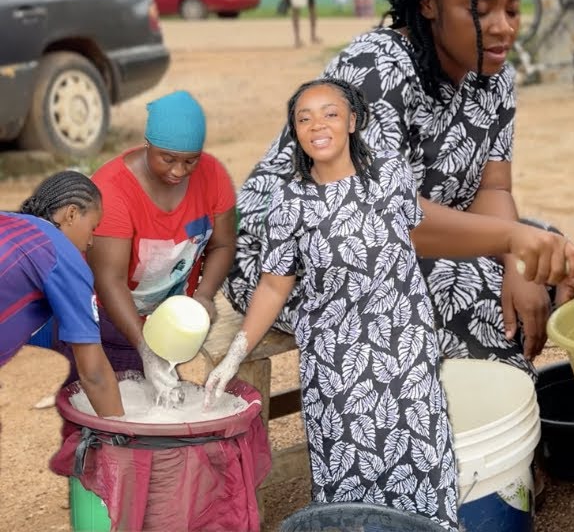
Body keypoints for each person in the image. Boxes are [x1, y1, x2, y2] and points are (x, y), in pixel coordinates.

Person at [229, 0, 574, 381]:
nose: (503, 28)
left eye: (513, 11)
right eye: (482, 10)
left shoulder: (495, 77)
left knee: (561, 259)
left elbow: (493, 188)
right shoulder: (375, 68)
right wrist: (509, 243)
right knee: (471, 293)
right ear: (430, 4)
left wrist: (520, 258)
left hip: (414, 235)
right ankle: (471, 437)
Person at [205, 79, 459, 526]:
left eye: (329, 114)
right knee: (349, 479)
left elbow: (410, 239)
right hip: (336, 363)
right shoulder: (289, 201)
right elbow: (272, 286)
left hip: (407, 352)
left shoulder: (391, 174)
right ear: (295, 132)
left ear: (353, 122)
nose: (317, 125)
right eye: (304, 118)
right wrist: (234, 355)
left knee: (422, 464)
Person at [69, 90, 237, 399]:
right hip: (104, 322)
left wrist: (203, 295)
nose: (178, 171)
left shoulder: (213, 176)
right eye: (168, 159)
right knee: (103, 414)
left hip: (166, 322)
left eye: (190, 161)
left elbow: (223, 245)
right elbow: (109, 280)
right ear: (149, 144)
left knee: (156, 412)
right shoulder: (112, 190)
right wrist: (145, 348)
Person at [1, 172, 124, 417]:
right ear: (71, 214)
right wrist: (124, 435)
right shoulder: (62, 256)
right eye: (92, 228)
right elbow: (95, 373)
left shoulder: (9, 221)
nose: (91, 241)